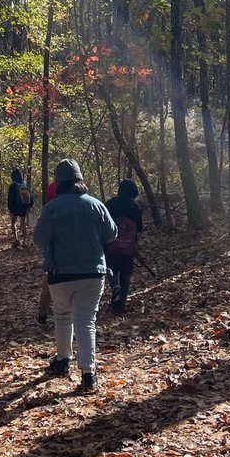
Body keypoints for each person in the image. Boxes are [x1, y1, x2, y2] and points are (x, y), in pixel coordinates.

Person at [33, 158, 116, 394]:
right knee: (86, 321)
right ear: (80, 180)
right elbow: (112, 234)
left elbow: (39, 239)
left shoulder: (52, 208)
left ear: (58, 183)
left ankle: (62, 360)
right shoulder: (96, 204)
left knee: (62, 315)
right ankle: (88, 374)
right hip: (93, 272)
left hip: (60, 272)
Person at [104, 179, 144, 313]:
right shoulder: (136, 207)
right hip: (128, 247)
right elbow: (139, 228)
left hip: (111, 244)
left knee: (112, 269)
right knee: (126, 274)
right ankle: (122, 303)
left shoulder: (110, 204)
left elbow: (103, 223)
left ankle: (115, 286)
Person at [37, 178, 59, 325]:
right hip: (86, 261)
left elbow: (39, 238)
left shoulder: (51, 208)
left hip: (55, 256)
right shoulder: (90, 204)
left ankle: (43, 314)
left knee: (49, 282)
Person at [8, 168, 32, 247]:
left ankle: (16, 239)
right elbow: (30, 196)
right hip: (23, 206)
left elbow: (10, 198)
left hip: (15, 206)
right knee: (23, 223)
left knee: (13, 222)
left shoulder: (13, 185)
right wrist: (30, 205)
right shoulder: (24, 184)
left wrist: (10, 208)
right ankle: (24, 241)